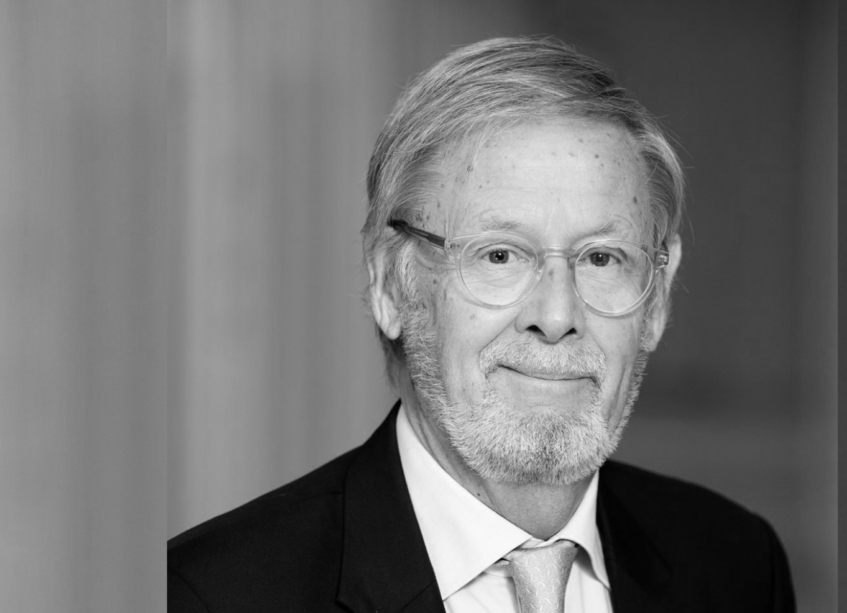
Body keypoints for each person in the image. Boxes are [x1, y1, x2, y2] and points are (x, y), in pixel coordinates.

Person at [168, 36, 795, 613]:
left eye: (602, 258)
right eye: (499, 256)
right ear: (390, 284)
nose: (556, 317)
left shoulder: (737, 566)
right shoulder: (209, 595)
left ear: (656, 298)